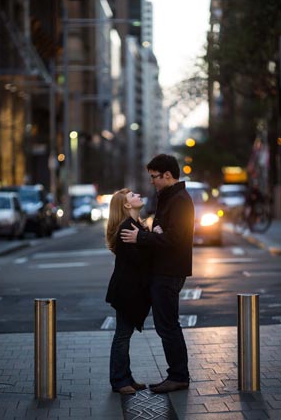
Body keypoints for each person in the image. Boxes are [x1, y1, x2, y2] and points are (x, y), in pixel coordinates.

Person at [121, 154, 195, 393]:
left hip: (170, 271)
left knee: (168, 326)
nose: (151, 181)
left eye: (154, 177)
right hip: (164, 269)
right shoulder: (168, 197)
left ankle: (178, 376)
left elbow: (174, 238)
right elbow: (165, 233)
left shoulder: (180, 201)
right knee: (167, 325)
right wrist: (157, 232)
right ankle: (177, 375)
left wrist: (142, 237)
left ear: (167, 175)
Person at [105, 188, 151, 395]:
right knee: (122, 335)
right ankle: (119, 380)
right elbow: (141, 261)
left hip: (130, 290)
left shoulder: (134, 225)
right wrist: (151, 239)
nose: (138, 195)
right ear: (126, 205)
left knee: (125, 334)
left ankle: (126, 377)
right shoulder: (126, 228)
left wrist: (148, 235)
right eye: (133, 196)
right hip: (126, 291)